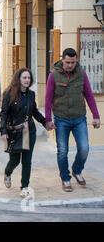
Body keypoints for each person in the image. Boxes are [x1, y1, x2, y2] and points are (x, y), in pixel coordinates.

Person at [45, 48, 101, 192]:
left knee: (84, 148)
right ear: (62, 60)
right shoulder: (53, 75)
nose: (70, 65)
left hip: (79, 118)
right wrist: (48, 119)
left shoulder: (81, 74)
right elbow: (48, 98)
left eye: (73, 62)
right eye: (68, 62)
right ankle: (65, 178)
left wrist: (96, 116)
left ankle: (77, 170)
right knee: (62, 151)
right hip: (61, 119)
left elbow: (89, 95)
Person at [0, 68, 47, 197]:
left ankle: (24, 186)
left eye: (28, 78)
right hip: (14, 133)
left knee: (27, 161)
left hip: (29, 131)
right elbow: (4, 113)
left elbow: (34, 111)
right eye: (24, 78)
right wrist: (3, 131)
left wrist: (45, 122)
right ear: (18, 79)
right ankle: (7, 172)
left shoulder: (31, 94)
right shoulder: (9, 94)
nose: (27, 80)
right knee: (15, 161)